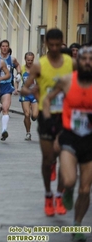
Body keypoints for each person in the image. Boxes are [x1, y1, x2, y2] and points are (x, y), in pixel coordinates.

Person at [21, 28, 75, 217]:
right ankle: (47, 194)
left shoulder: (70, 63)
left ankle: (59, 196)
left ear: (62, 43)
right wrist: (34, 92)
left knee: (63, 156)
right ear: (46, 45)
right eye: (50, 45)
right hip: (46, 116)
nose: (53, 48)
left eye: (57, 45)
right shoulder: (39, 65)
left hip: (65, 116)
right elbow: (24, 89)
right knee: (47, 159)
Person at [42, 45, 92, 241]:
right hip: (69, 136)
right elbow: (48, 100)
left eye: (91, 59)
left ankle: (77, 224)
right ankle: (67, 190)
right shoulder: (66, 81)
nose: (88, 62)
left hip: (89, 140)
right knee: (70, 180)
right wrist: (50, 122)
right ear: (77, 62)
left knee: (86, 189)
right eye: (84, 58)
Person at [0, 40, 21, 141]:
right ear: (0, 47)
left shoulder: (12, 59)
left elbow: (18, 65)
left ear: (8, 47)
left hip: (6, 86)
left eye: (6, 46)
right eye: (3, 46)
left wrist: (18, 73)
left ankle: (4, 131)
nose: (5, 48)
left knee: (5, 109)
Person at [18, 52, 38, 140]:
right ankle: (28, 132)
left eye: (31, 60)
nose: (30, 62)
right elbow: (17, 79)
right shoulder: (22, 69)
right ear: (25, 59)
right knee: (27, 114)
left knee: (35, 116)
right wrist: (16, 88)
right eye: (28, 60)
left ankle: (32, 112)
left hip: (34, 94)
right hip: (25, 94)